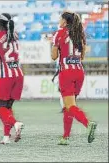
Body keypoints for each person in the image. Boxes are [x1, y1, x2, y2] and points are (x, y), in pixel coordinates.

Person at [52, 11, 97, 145]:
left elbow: (54, 56)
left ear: (65, 21)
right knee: (69, 105)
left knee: (70, 105)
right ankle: (65, 137)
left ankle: (88, 124)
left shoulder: (59, 33)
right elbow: (82, 56)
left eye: (60, 19)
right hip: (79, 71)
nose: (59, 21)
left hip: (66, 72)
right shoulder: (80, 34)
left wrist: (56, 47)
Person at [0, 13, 24, 144]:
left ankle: (15, 123)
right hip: (18, 74)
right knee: (8, 106)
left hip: (5, 76)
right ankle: (6, 136)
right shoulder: (15, 35)